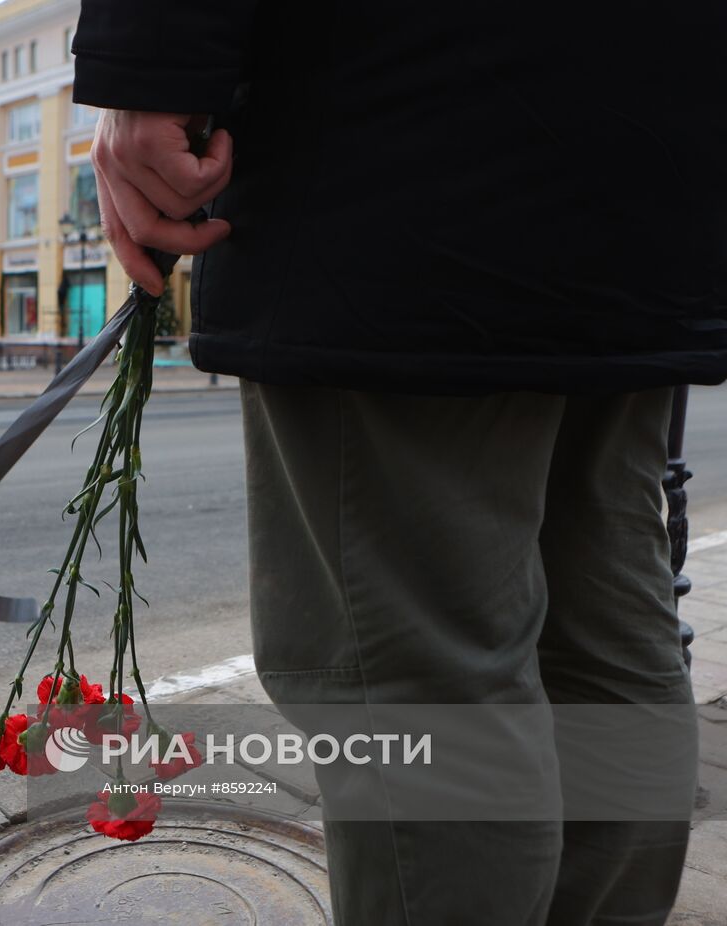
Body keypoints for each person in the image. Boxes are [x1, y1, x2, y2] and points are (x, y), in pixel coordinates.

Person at [73, 3, 725, 924]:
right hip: (650, 150)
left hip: (405, 149)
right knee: (607, 634)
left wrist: (151, 68)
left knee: (419, 686)